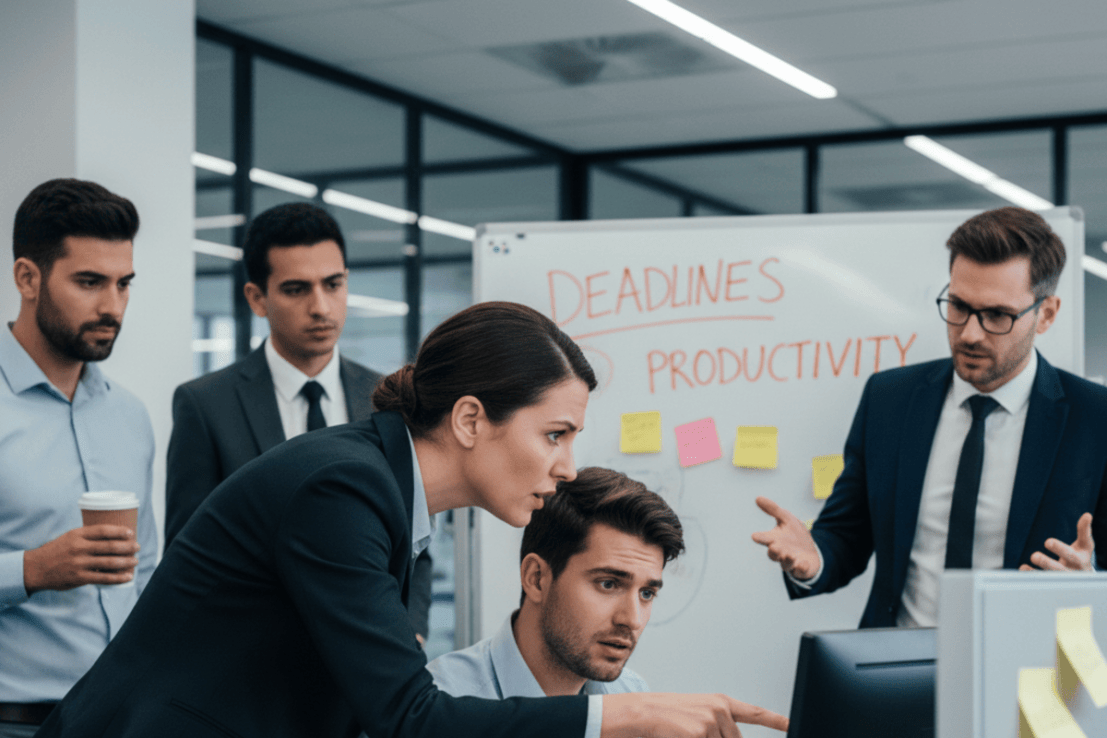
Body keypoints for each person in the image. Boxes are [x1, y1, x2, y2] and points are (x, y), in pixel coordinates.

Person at [36, 301, 786, 738]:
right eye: (554, 434)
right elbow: (410, 720)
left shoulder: (377, 485)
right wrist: (622, 717)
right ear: (470, 419)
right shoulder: (345, 489)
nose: (565, 467)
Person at [753, 206, 1107, 628]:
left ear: (1046, 314)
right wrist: (814, 557)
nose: (970, 333)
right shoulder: (890, 400)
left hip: (1029, 660)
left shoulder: (1095, 418)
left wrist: (1089, 583)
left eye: (997, 315)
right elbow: (847, 534)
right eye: (958, 306)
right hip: (898, 659)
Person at [163, 203, 431, 640]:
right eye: (295, 289)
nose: (321, 307)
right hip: (255, 654)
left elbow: (415, 537)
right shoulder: (206, 405)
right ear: (257, 298)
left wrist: (411, 631)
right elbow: (188, 560)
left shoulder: (388, 400)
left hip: (370, 648)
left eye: (333, 284)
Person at [0, 179, 157, 737]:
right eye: (89, 282)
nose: (112, 306)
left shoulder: (130, 416)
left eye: (123, 283)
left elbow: (146, 574)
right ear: (28, 278)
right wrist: (33, 570)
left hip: (121, 719)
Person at [428, 466, 683, 699]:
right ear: (537, 579)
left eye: (647, 593)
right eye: (608, 584)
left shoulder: (630, 694)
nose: (632, 620)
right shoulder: (442, 702)